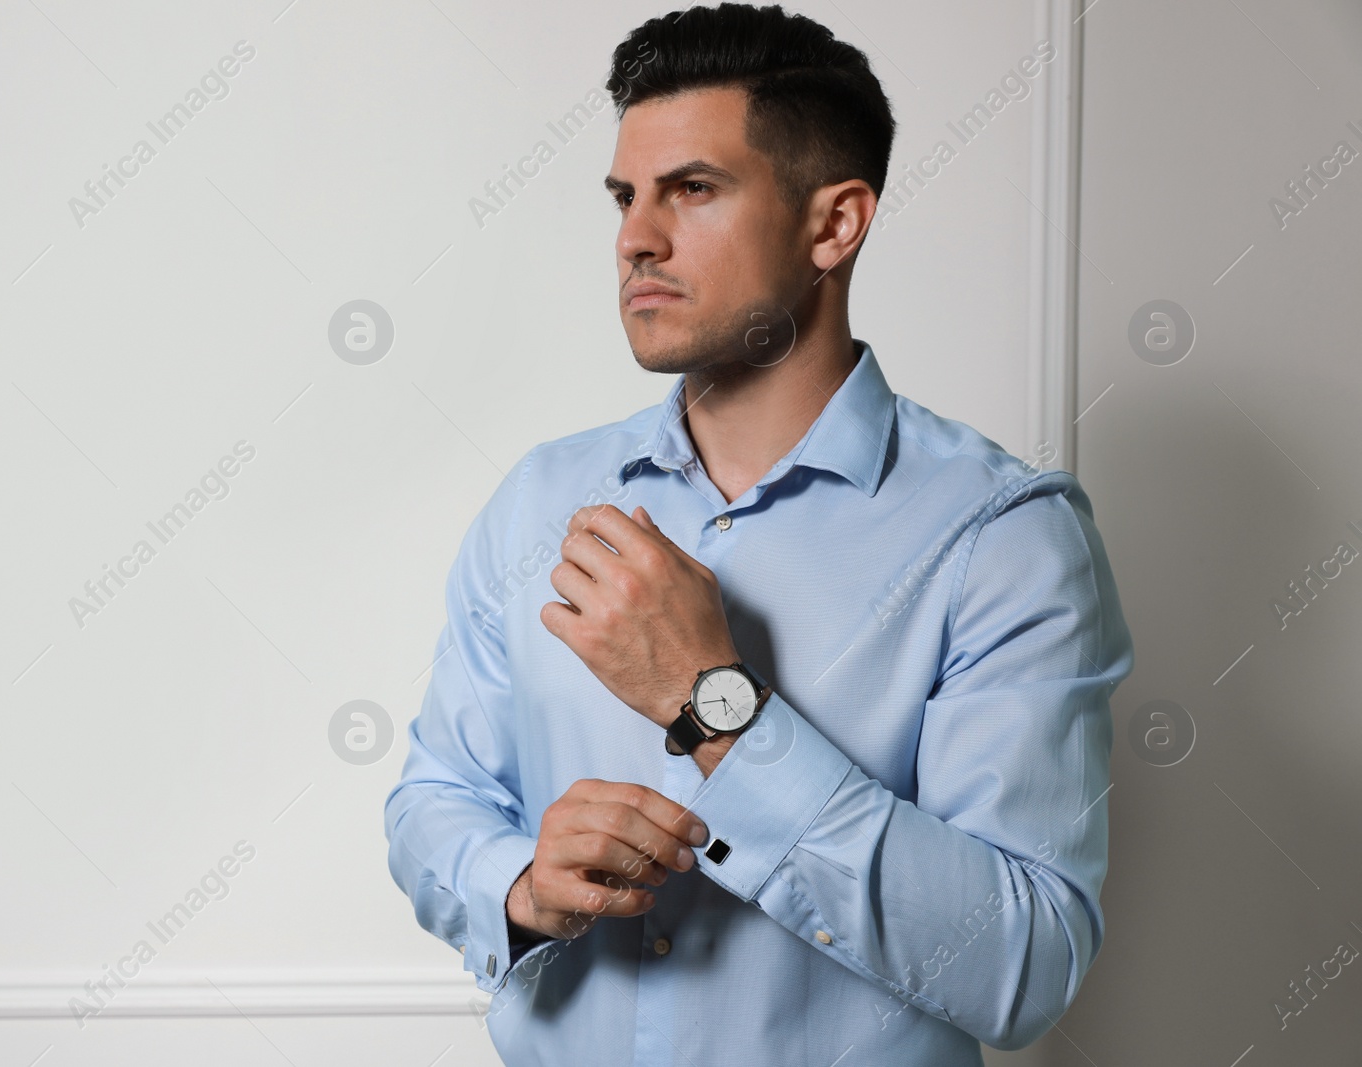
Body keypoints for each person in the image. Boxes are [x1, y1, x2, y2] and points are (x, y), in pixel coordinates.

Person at [384, 4, 1133, 1063]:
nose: (635, 237)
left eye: (692, 189)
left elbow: (1022, 964)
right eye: (624, 197)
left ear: (833, 225)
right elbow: (434, 799)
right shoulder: (538, 499)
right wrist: (515, 881)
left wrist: (710, 703)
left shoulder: (1001, 535)